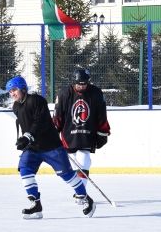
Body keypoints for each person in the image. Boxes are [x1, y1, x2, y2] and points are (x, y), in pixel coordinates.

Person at [7, 76, 95, 219]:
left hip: (51, 146)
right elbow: (26, 125)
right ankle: (36, 205)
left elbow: (40, 122)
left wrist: (28, 136)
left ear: (23, 88)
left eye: (14, 90)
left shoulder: (37, 101)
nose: (12, 94)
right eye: (10, 92)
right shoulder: (16, 107)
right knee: (25, 170)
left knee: (66, 175)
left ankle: (85, 197)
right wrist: (24, 139)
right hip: (33, 148)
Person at [54, 67, 111, 178]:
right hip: (68, 134)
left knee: (84, 158)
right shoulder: (64, 94)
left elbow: (102, 115)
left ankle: (81, 192)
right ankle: (79, 190)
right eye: (79, 84)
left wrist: (103, 133)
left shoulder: (96, 93)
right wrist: (54, 132)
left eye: (84, 84)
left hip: (88, 133)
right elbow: (57, 116)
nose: (81, 86)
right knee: (74, 163)